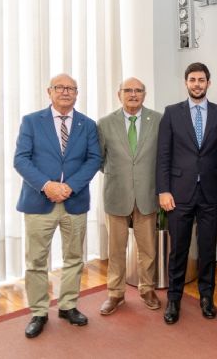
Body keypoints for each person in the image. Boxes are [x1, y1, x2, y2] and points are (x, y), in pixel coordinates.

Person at [13, 74, 102, 338]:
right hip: (39, 201)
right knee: (36, 261)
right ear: (49, 91)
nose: (66, 92)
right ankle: (39, 311)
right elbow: (21, 159)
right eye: (60, 87)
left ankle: (68, 306)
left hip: (74, 202)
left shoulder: (87, 124)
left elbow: (94, 159)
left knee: (74, 257)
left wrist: (69, 187)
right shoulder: (31, 121)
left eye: (71, 88)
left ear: (77, 93)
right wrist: (47, 185)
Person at [156, 62, 217, 324]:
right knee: (179, 249)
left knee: (208, 248)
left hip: (211, 191)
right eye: (192, 80)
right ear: (186, 83)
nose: (197, 84)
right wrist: (163, 190)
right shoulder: (172, 113)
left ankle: (206, 296)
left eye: (201, 80)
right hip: (179, 192)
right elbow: (163, 155)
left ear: (209, 83)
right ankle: (173, 299)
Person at [97, 78, 162, 315]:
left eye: (138, 91)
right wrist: (121, 175)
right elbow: (100, 160)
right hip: (117, 193)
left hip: (147, 194)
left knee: (148, 249)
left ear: (144, 95)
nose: (133, 94)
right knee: (115, 249)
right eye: (128, 90)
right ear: (119, 94)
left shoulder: (157, 120)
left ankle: (147, 289)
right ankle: (115, 294)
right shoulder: (104, 123)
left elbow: (162, 156)